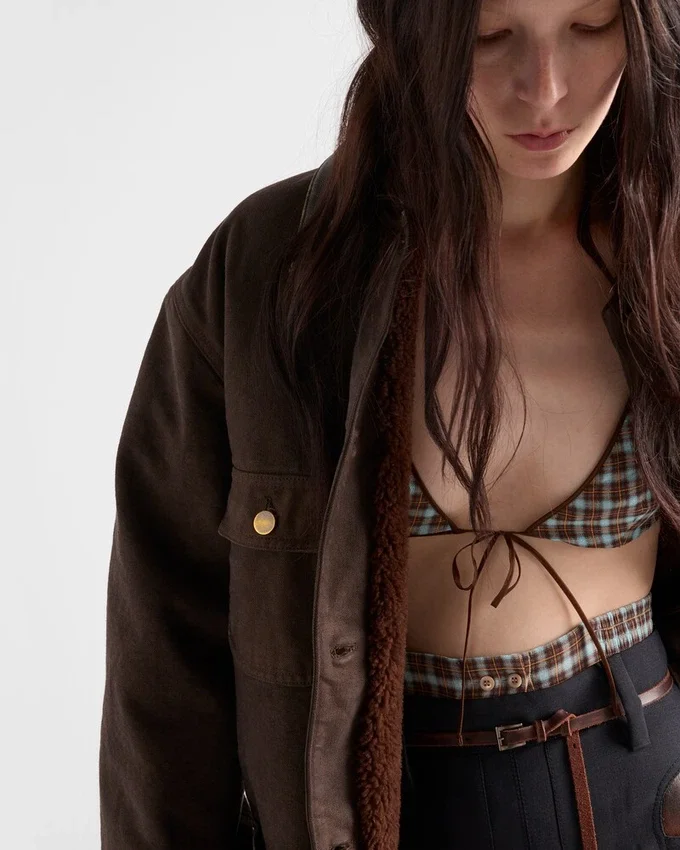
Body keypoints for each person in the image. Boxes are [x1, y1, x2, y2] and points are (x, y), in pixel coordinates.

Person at [99, 0, 680, 848]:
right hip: (370, 814)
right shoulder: (271, 271)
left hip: (644, 791)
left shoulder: (667, 256)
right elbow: (166, 665)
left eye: (590, 27)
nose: (545, 89)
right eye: (489, 36)